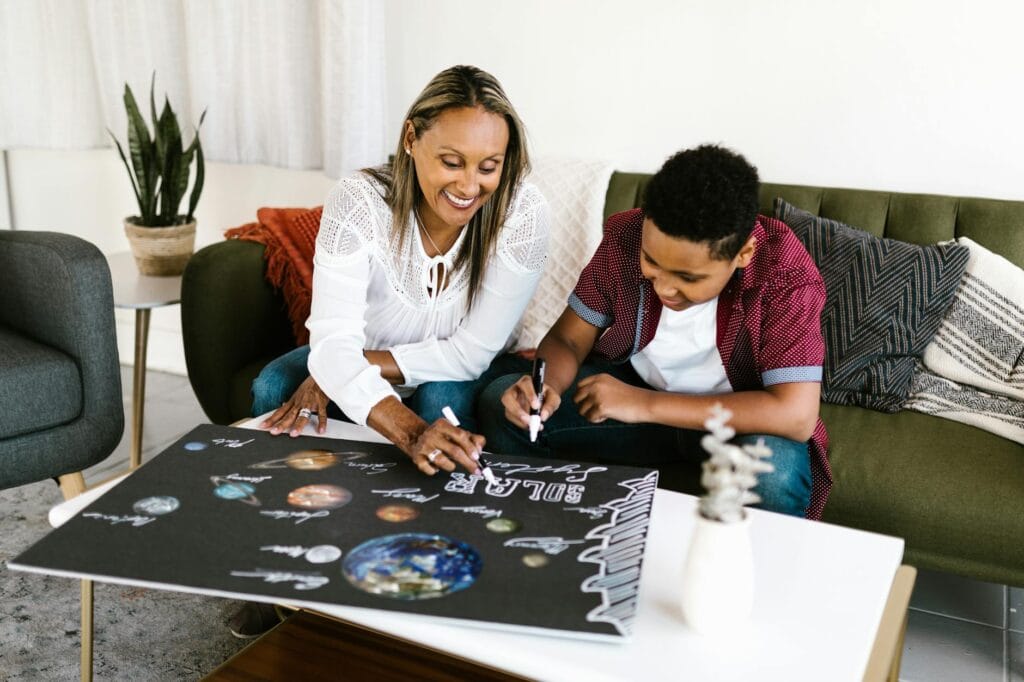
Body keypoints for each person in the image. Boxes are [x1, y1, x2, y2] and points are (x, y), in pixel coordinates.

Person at [230, 65, 547, 638]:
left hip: (449, 361)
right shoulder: (360, 200)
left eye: (489, 166)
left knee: (443, 401)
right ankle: (273, 575)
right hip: (360, 348)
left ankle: (419, 592)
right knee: (275, 391)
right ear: (411, 139)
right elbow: (331, 341)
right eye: (451, 161)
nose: (470, 185)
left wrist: (347, 373)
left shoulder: (522, 214)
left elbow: (471, 355)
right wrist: (356, 382)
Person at [478, 144, 832, 520]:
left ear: (743, 254)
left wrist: (641, 404)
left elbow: (795, 415)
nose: (664, 288)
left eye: (688, 278)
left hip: (732, 423)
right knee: (501, 406)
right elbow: (568, 338)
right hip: (633, 412)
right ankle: (566, 533)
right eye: (652, 262)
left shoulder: (783, 274)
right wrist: (546, 386)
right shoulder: (626, 237)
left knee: (773, 475)